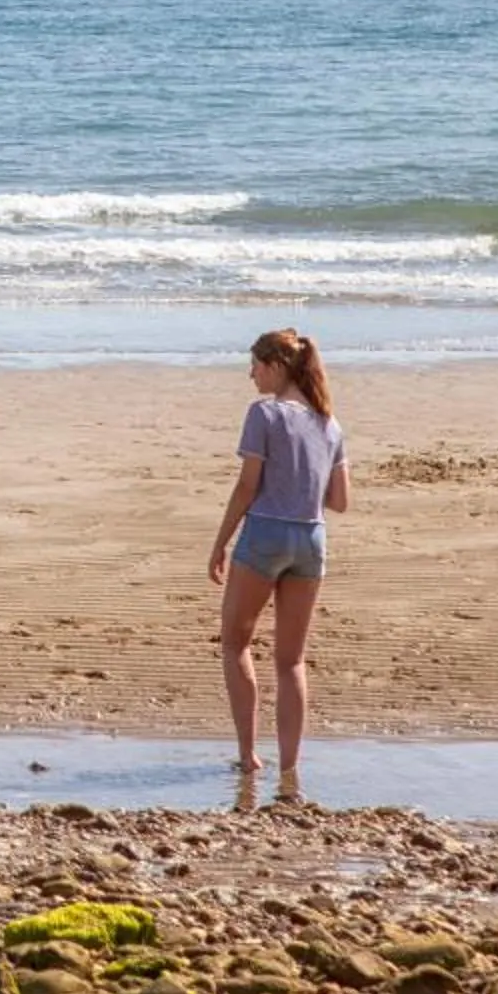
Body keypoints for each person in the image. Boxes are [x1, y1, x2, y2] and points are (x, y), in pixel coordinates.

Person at [208, 326, 351, 788]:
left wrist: (220, 541)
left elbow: (248, 486)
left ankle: (249, 756)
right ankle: (290, 765)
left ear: (276, 367)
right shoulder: (330, 424)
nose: (251, 375)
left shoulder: (264, 415)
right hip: (311, 540)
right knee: (291, 661)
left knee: (235, 644)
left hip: (265, 535)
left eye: (255, 366)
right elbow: (340, 500)